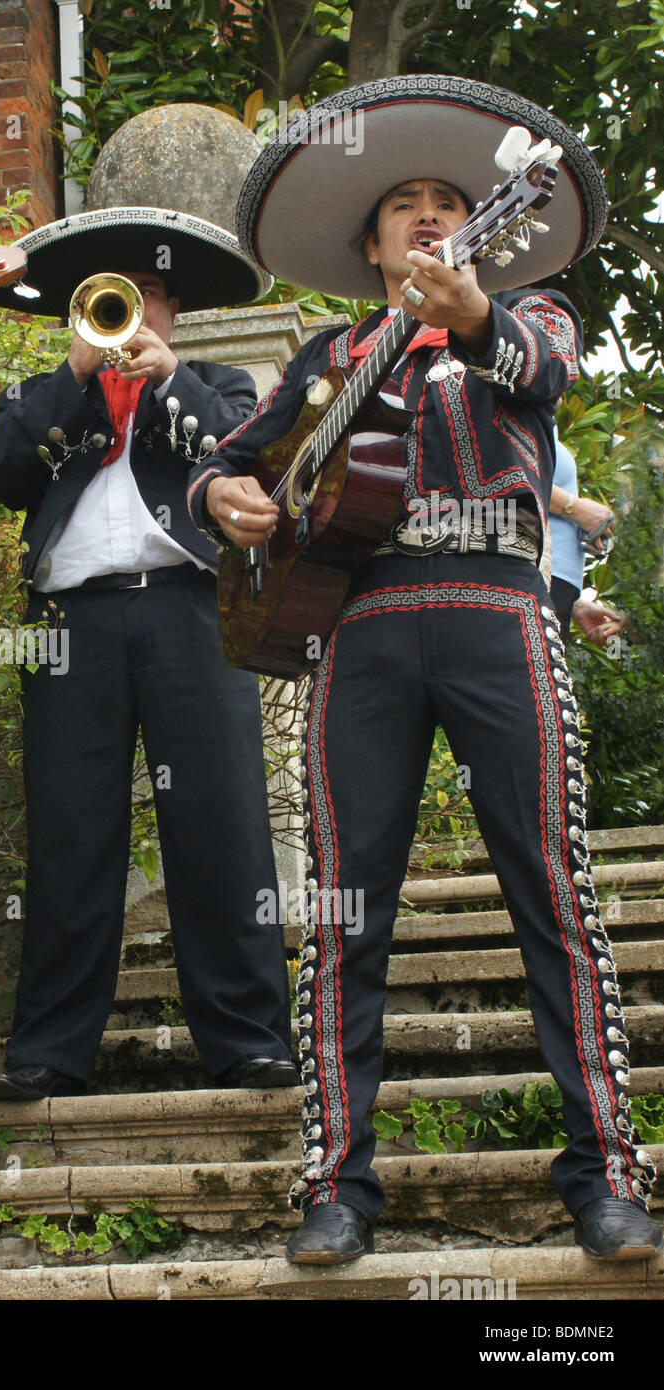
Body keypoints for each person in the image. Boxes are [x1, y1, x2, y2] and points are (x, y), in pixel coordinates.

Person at [189, 75, 659, 1264]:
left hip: (499, 608)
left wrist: (478, 316)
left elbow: (544, 378)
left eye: (448, 201)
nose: (428, 217)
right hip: (359, 624)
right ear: (369, 242)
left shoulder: (530, 313)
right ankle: (335, 1187)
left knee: (553, 892)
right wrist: (226, 497)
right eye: (403, 203)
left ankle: (606, 1175)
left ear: (482, 222)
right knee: (346, 910)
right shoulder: (323, 354)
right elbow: (231, 469)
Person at [0, 208, 295, 1101]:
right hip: (69, 626)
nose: (133, 313)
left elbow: (248, 458)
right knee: (69, 835)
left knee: (219, 828)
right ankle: (47, 1050)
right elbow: (0, 472)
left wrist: (169, 384)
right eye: (115, 300)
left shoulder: (220, 383)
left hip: (191, 614)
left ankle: (247, 1041)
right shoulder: (45, 395)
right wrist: (76, 376)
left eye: (148, 296)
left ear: (173, 311)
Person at [548, 433, 623, 647]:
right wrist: (576, 508)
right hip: (529, 584)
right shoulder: (518, 413)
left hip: (553, 590)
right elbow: (508, 478)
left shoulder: (543, 423)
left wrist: (575, 604)